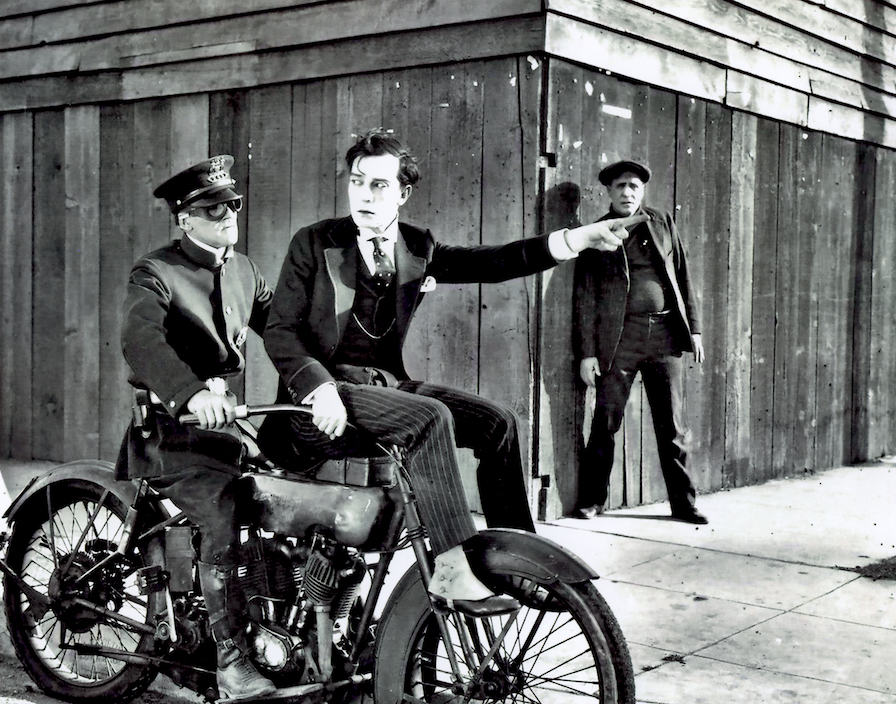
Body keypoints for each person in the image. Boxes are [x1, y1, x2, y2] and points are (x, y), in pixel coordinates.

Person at [261, 130, 645, 616]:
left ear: (403, 193)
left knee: (497, 422)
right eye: (357, 181)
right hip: (315, 408)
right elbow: (280, 332)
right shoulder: (314, 242)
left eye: (379, 185)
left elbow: (494, 261)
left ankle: (515, 560)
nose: (364, 194)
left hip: (384, 389)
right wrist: (320, 389)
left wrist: (574, 239)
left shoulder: (417, 244)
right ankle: (450, 564)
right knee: (429, 418)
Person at [114, 155, 277, 702]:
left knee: (292, 498)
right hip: (172, 430)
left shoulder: (245, 270)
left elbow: (283, 332)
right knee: (221, 512)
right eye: (212, 208)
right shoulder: (155, 272)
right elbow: (142, 342)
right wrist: (191, 393)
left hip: (227, 428)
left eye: (232, 204)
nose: (228, 214)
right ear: (185, 220)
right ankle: (231, 662)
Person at [572, 159, 708, 524]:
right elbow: (585, 297)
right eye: (620, 186)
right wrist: (587, 354)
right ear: (609, 192)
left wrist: (693, 329)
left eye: (634, 186)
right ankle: (591, 500)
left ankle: (684, 504)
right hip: (619, 341)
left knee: (673, 426)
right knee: (606, 421)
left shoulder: (662, 222)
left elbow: (683, 275)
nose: (627, 192)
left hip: (664, 337)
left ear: (642, 190)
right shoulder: (597, 232)